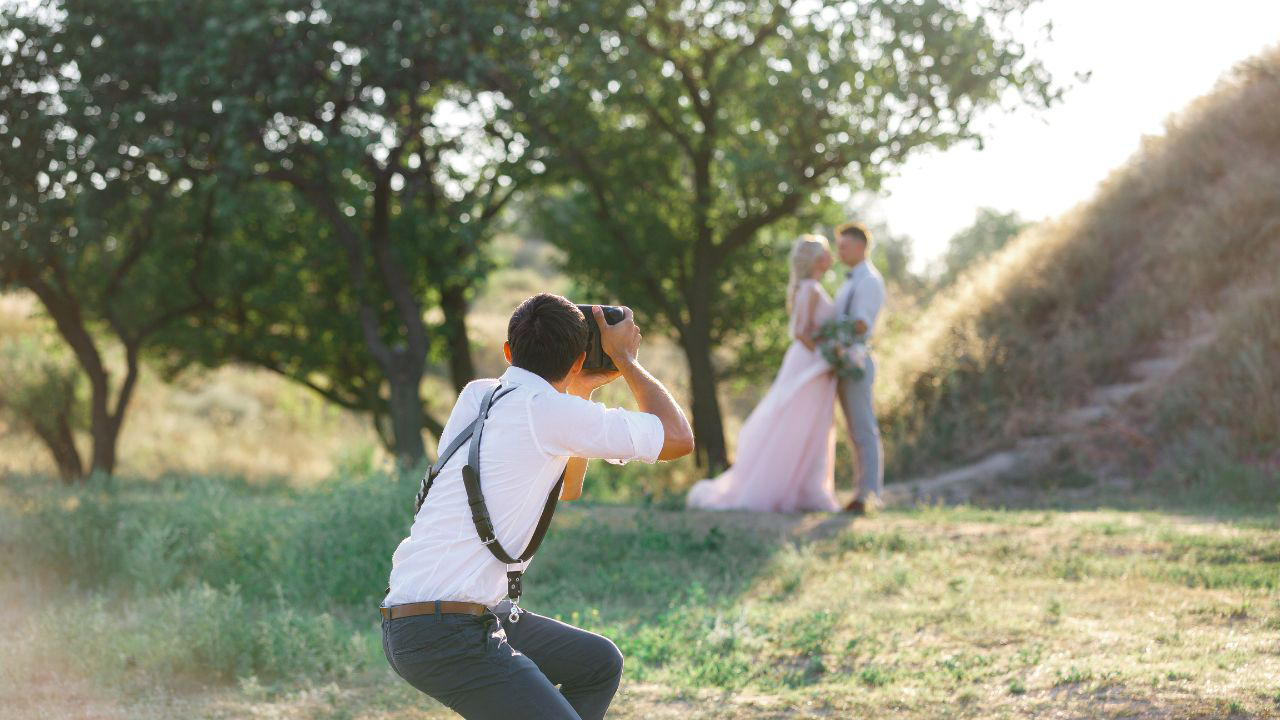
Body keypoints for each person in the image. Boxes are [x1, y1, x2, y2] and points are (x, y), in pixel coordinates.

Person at [380, 293, 694, 720]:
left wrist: (579, 387)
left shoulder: (477, 396)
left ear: (509, 352)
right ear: (579, 358)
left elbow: (567, 487)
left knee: (598, 662)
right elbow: (678, 438)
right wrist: (624, 358)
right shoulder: (548, 413)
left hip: (422, 618)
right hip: (446, 631)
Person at [685, 235, 842, 512]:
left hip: (812, 363)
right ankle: (800, 490)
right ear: (818, 260)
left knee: (811, 426)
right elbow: (800, 332)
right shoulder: (811, 289)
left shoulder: (809, 288)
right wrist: (827, 354)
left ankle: (808, 488)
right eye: (827, 253)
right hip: (811, 365)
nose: (831, 257)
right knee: (798, 425)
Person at [832, 222, 886, 514]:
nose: (839, 251)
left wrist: (829, 332)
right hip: (842, 360)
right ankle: (860, 491)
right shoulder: (850, 281)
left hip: (856, 361)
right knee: (854, 431)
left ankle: (869, 494)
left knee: (864, 428)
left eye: (844, 245)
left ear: (861, 247)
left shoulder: (869, 281)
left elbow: (861, 323)